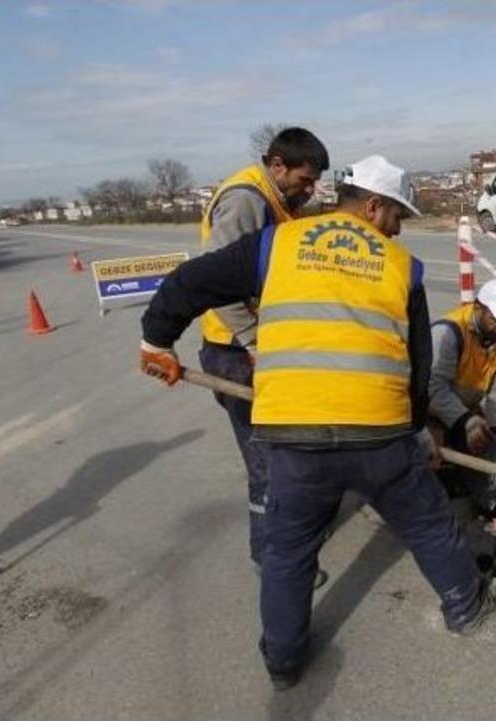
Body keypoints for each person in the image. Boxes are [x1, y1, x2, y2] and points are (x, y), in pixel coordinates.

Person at [140, 155, 496, 689]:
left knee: (287, 549)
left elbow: (192, 281)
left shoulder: (276, 244)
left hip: (293, 436)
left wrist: (156, 339)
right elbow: (418, 364)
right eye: (397, 216)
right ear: (373, 206)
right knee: (427, 523)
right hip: (377, 434)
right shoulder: (402, 268)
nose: (399, 229)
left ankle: (283, 661)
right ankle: (466, 608)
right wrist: (417, 431)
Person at [198, 127, 329, 571]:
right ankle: (274, 560)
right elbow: (213, 281)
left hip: (261, 349)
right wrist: (255, 343)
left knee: (289, 453)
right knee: (268, 464)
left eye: (314, 182)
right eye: (304, 180)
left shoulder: (275, 202)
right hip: (236, 355)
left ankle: (292, 531)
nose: (309, 190)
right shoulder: (246, 201)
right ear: (277, 166)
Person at [428, 279, 496, 511]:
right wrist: (466, 421)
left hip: (463, 407)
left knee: (486, 444)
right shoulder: (448, 332)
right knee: (431, 464)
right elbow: (433, 389)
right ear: (479, 308)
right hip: (428, 409)